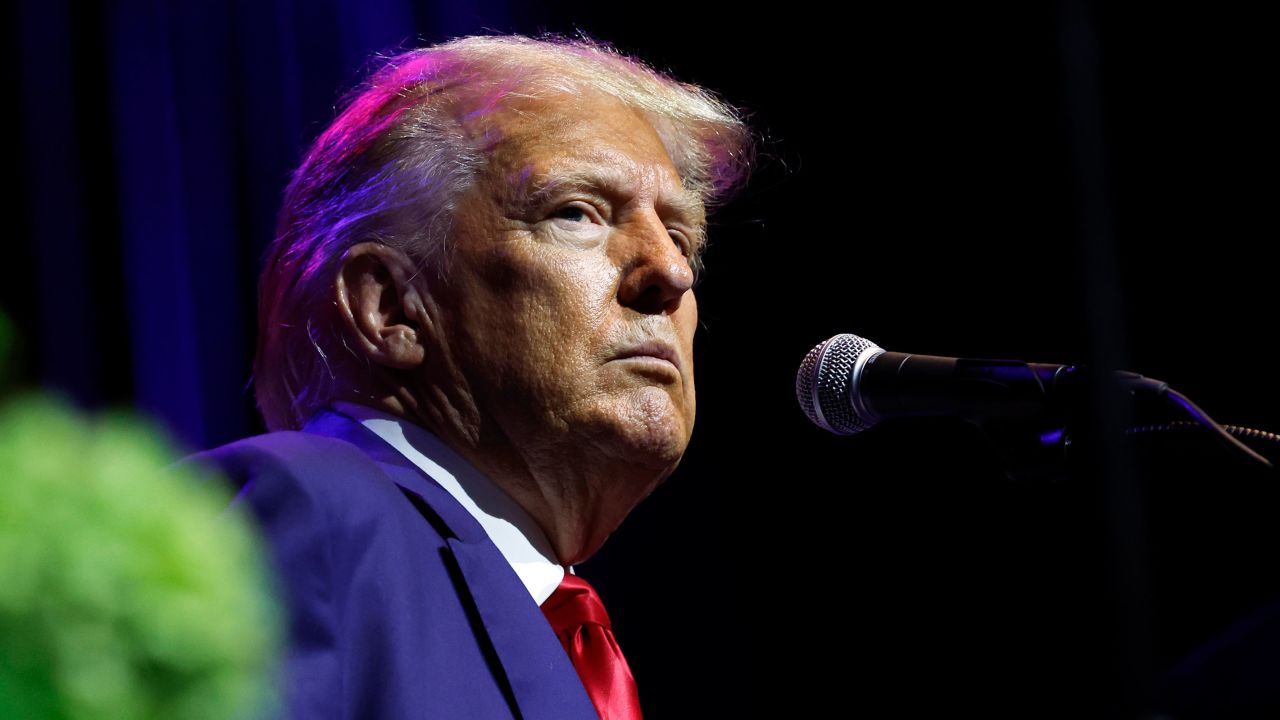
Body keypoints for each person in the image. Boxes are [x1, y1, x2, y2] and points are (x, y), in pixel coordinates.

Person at [179, 34, 752, 719]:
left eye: (681, 236)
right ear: (391, 307)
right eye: (576, 213)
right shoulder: (314, 513)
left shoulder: (546, 614)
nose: (671, 273)